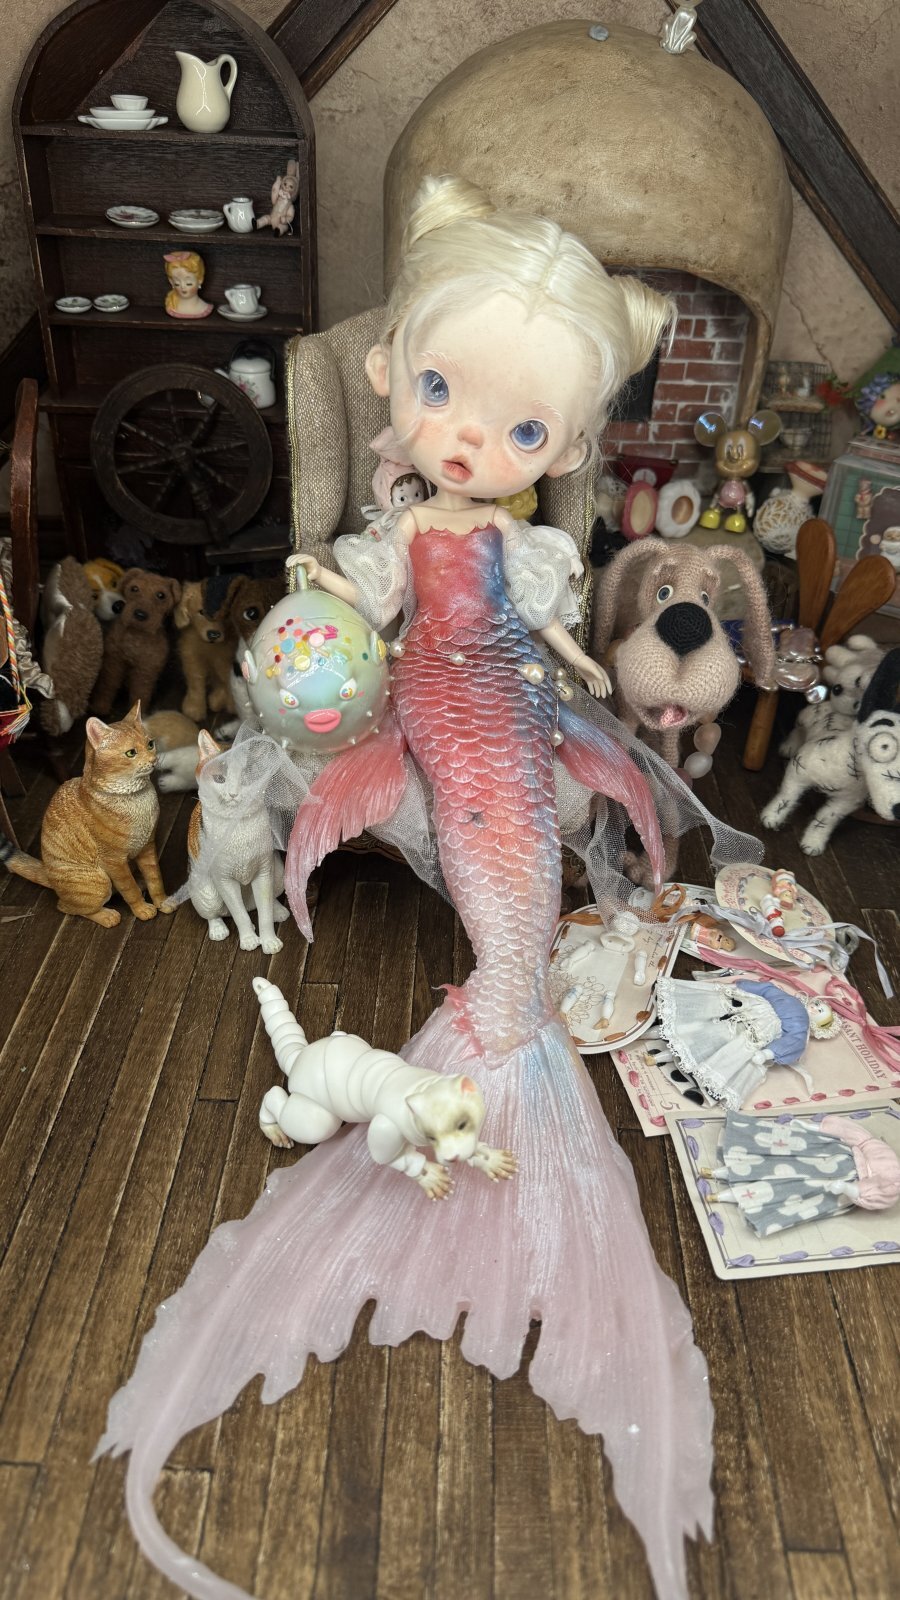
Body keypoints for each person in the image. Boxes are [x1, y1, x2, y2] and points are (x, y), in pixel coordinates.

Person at [101, 177, 759, 1600]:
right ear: (393, 374)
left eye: (522, 431)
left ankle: (502, 1024)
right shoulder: (399, 536)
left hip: (512, 716)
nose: (469, 441)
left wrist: (580, 673)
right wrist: (332, 611)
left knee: (537, 859)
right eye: (446, 395)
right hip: (423, 720)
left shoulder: (530, 544)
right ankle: (494, 1025)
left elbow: (549, 635)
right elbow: (357, 620)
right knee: (440, 832)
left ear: (564, 448)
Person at [163, 249, 212, 318]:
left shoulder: (204, 308)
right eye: (177, 283)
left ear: (200, 280)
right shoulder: (171, 307)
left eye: (188, 283)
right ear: (171, 281)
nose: (182, 287)